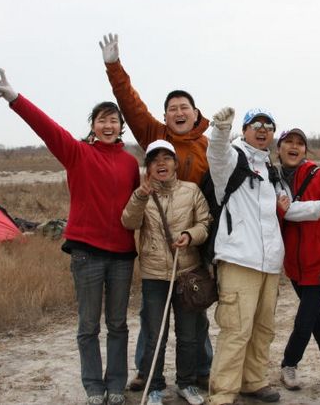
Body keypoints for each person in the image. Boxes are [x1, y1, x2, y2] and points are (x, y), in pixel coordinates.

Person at [0, 69, 139, 405]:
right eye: (102, 120)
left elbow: (139, 208)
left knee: (118, 325)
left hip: (122, 256)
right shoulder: (77, 153)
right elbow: (45, 127)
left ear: (121, 126)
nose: (109, 125)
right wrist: (15, 99)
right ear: (93, 126)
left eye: (114, 120)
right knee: (88, 326)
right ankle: (94, 388)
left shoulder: (131, 164)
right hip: (87, 254)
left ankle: (116, 385)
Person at [99, 33, 213, 390]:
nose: (179, 113)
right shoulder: (155, 135)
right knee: (153, 317)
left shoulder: (209, 146)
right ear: (165, 116)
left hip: (195, 240)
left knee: (195, 310)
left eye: (185, 108)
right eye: (173, 108)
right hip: (157, 245)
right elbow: (129, 104)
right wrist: (114, 66)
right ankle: (146, 372)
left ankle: (199, 370)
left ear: (196, 114)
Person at [207, 107, 320, 405]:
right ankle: (223, 394)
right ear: (244, 130)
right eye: (255, 124)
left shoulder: (270, 172)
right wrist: (219, 128)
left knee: (263, 328)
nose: (262, 129)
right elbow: (215, 155)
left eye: (268, 125)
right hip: (239, 260)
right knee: (236, 330)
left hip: (269, 265)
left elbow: (289, 209)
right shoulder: (233, 159)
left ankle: (253, 381)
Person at [121, 140, 211, 405]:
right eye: (154, 159)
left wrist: (189, 235)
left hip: (187, 272)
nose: (161, 163)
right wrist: (139, 197)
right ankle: (155, 387)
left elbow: (205, 222)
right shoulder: (142, 194)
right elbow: (129, 222)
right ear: (148, 167)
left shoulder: (191, 190)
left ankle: (186, 383)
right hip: (154, 275)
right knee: (155, 334)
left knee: (188, 334)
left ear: (175, 163)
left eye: (166, 158)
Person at [275, 128, 320, 392]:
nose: (294, 147)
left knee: (305, 318)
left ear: (305, 150)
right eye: (288, 143)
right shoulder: (274, 180)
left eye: (299, 143)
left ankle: (289, 362)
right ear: (279, 148)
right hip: (293, 265)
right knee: (317, 316)